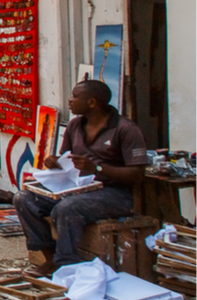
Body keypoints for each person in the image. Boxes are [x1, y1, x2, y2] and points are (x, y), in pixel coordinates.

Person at [15, 80, 147, 275]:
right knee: (23, 198)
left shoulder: (125, 129)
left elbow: (137, 174)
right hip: (76, 186)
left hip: (114, 193)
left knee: (66, 208)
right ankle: (50, 257)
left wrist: (98, 168)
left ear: (92, 102)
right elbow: (65, 159)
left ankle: (66, 262)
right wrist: (54, 162)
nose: (70, 100)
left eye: (75, 96)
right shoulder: (75, 125)